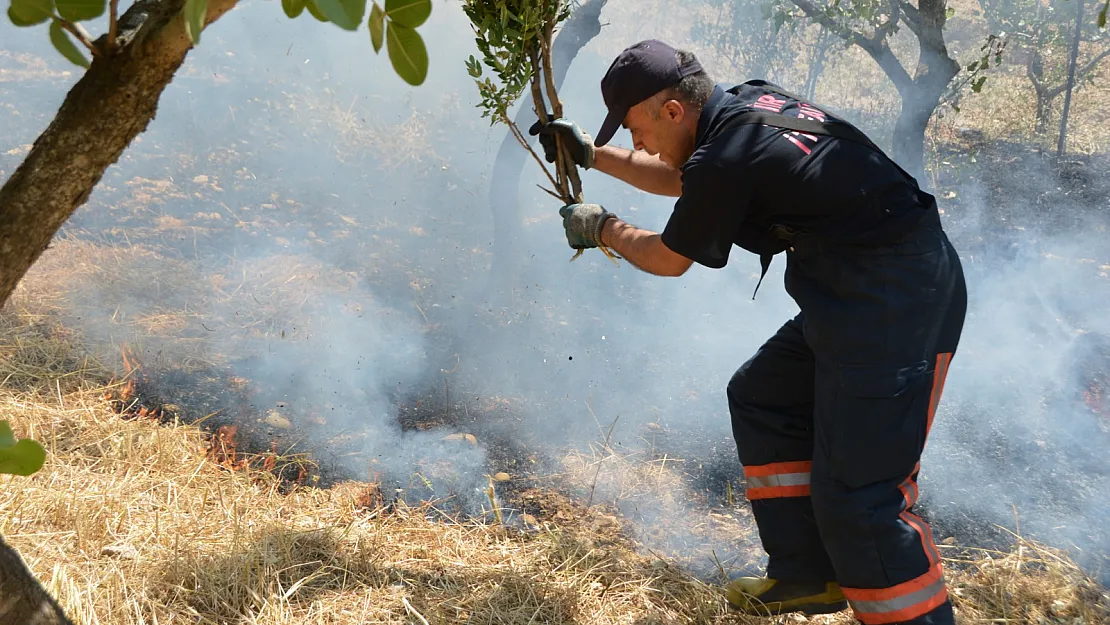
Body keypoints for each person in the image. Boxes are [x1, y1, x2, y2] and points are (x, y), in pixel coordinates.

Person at [530, 39, 967, 625]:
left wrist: (603, 227)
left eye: (634, 129)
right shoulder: (744, 106)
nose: (636, 143)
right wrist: (591, 155)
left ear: (672, 111)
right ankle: (806, 575)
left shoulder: (724, 155)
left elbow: (668, 257)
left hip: (897, 301)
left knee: (859, 500)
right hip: (854, 291)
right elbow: (690, 178)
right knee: (764, 395)